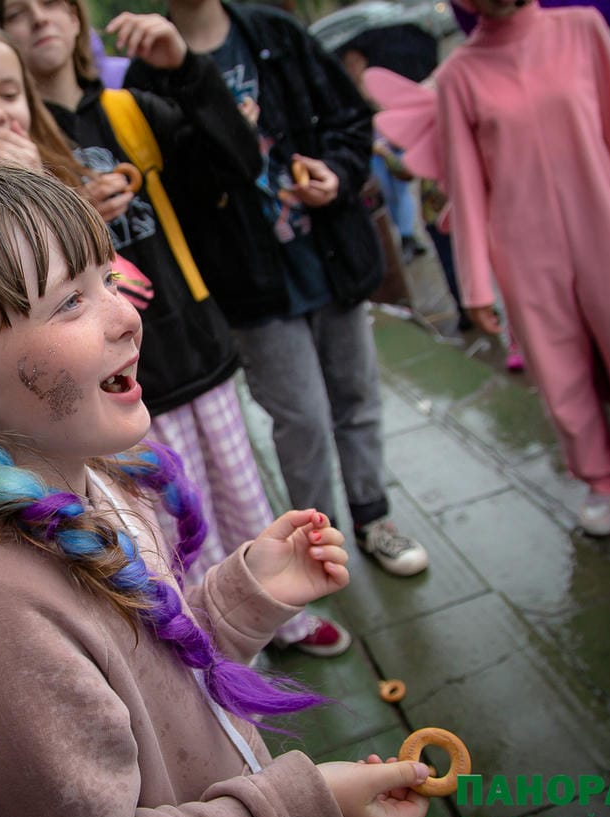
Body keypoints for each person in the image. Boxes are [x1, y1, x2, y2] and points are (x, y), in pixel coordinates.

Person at [0, 162, 431, 817]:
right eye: (69, 303)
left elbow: (145, 676)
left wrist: (242, 596)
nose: (127, 316)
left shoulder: (89, 488)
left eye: (109, 280)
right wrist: (301, 808)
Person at [0, 13, 335, 659]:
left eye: (7, 92)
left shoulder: (119, 112)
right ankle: (204, 660)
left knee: (238, 497)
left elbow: (236, 162)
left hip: (190, 350)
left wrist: (185, 69)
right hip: (104, 400)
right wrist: (52, 191)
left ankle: (276, 620)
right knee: (162, 543)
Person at [124, 0, 432, 580]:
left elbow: (349, 118)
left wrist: (337, 171)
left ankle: (374, 518)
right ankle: (317, 540)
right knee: (303, 418)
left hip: (330, 256)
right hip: (249, 284)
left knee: (357, 396)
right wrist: (219, 126)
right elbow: (173, 195)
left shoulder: (276, 34)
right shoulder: (146, 75)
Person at [434, 0, 610, 548]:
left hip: (609, 230)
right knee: (560, 378)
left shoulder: (583, 30)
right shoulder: (458, 77)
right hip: (524, 251)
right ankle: (600, 476)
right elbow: (466, 188)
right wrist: (475, 286)